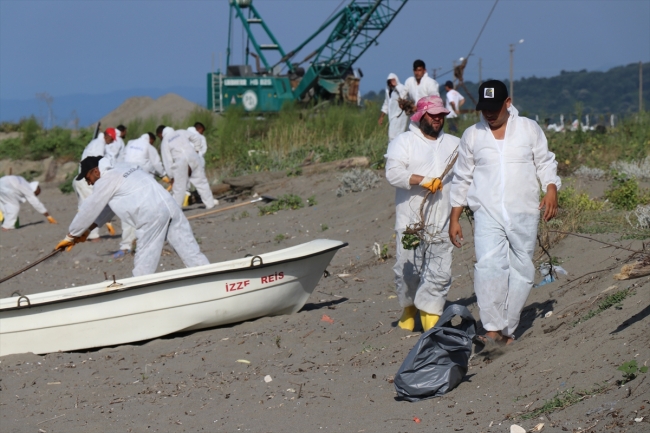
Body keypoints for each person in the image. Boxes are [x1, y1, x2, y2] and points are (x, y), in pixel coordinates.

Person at [449, 80, 560, 345]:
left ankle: (507, 329)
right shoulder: (473, 135)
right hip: (486, 211)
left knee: (522, 268)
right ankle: (491, 328)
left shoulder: (528, 129)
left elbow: (545, 161)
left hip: (524, 210)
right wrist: (454, 217)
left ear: (507, 103)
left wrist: (551, 188)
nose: (489, 113)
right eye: (484, 108)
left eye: (494, 107)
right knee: (488, 266)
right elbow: (462, 177)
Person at [55, 156, 209, 277]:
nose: (88, 183)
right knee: (192, 253)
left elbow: (89, 208)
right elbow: (107, 209)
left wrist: (70, 235)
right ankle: (209, 278)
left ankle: (138, 295)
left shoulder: (106, 179)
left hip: (151, 214)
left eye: (88, 177)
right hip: (170, 206)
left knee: (144, 263)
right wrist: (86, 231)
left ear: (96, 171)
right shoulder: (123, 168)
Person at [385, 95, 460, 332]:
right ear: (420, 116)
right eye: (432, 114)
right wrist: (423, 181)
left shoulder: (455, 144)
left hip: (442, 220)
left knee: (440, 270)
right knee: (408, 269)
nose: (437, 119)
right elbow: (393, 173)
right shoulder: (403, 141)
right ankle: (409, 307)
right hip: (410, 222)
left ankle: (431, 317)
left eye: (441, 115)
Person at [114, 132, 170, 258]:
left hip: (125, 181)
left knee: (127, 214)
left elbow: (122, 160)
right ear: (150, 140)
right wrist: (163, 175)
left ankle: (126, 245)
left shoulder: (129, 144)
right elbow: (156, 164)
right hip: (141, 183)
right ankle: (146, 242)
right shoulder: (149, 147)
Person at [73, 128, 117, 240]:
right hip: (87, 179)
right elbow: (97, 165)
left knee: (84, 207)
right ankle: (92, 235)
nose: (111, 142)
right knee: (93, 206)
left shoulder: (96, 143)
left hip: (83, 178)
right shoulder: (99, 145)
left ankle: (80, 233)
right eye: (111, 139)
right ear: (107, 136)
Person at [157, 125, 215, 209]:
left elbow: (167, 161)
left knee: (179, 188)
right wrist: (197, 149)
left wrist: (171, 176)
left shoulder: (165, 141)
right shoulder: (181, 131)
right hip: (193, 157)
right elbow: (196, 138)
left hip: (180, 162)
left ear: (162, 134)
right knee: (201, 182)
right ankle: (210, 204)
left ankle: (176, 209)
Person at [378, 73, 409, 143]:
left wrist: (396, 85)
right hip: (392, 118)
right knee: (392, 137)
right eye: (389, 82)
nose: (391, 83)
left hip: (400, 117)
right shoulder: (389, 93)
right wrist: (381, 117)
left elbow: (404, 95)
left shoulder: (401, 88)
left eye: (392, 81)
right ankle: (393, 152)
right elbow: (386, 104)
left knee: (396, 136)